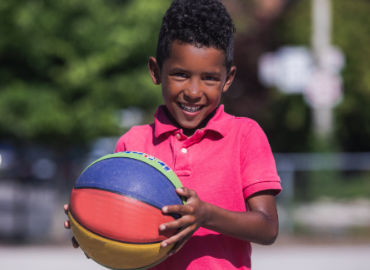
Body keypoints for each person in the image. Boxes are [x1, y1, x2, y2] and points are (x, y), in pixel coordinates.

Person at [64, 0, 282, 269]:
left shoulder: (245, 135)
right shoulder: (132, 144)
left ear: (228, 79)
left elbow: (268, 227)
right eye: (180, 75)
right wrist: (92, 231)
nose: (193, 91)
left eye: (209, 78)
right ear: (156, 71)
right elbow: (120, 238)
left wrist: (206, 215)